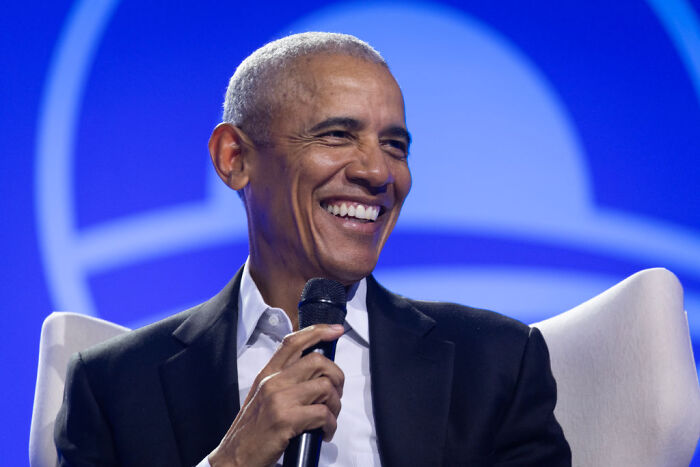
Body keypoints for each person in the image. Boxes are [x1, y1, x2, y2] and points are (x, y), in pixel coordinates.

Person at [54, 32, 571, 466]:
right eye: (338, 135)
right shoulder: (114, 387)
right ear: (234, 158)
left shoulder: (496, 362)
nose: (377, 172)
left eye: (395, 145)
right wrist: (232, 460)